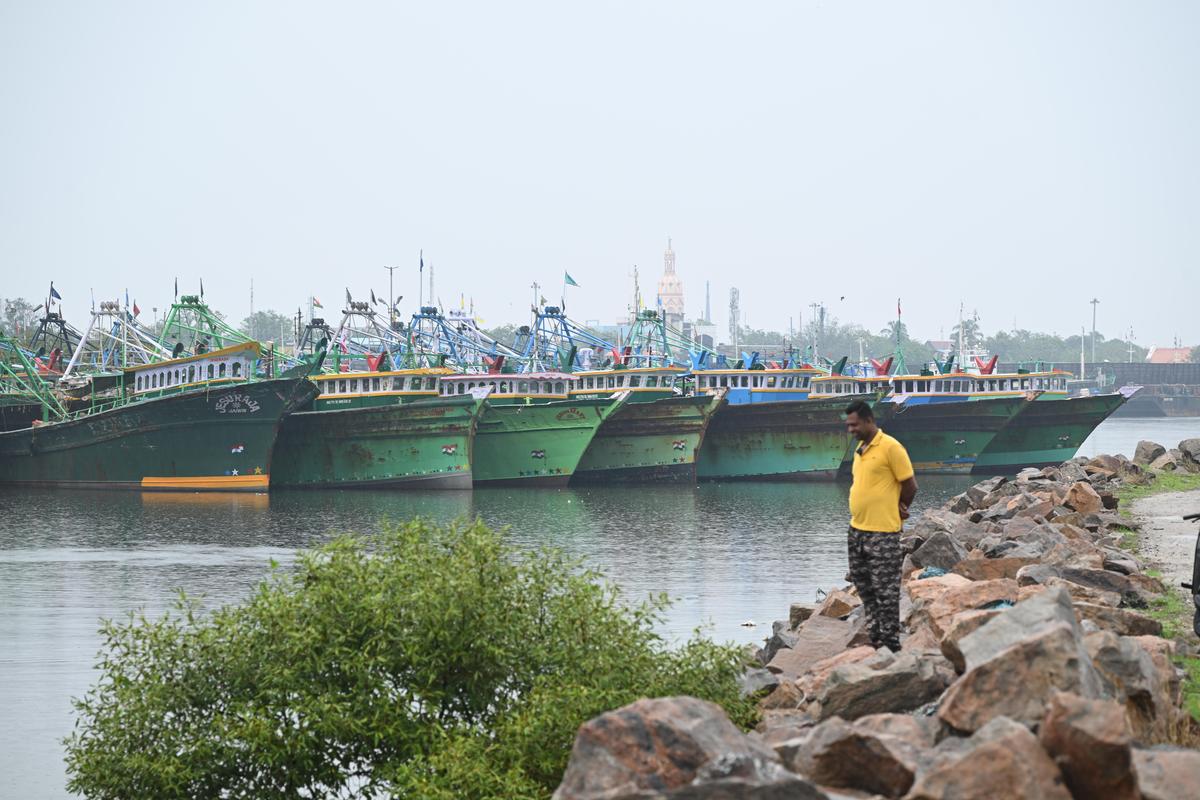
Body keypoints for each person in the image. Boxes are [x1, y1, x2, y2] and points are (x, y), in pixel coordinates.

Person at [844, 399, 917, 652]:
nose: (851, 430)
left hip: (882, 533)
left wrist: (901, 507)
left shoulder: (890, 447)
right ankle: (875, 637)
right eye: (848, 426)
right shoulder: (860, 450)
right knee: (864, 587)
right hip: (857, 530)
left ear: (868, 420)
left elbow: (909, 485)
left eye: (854, 425)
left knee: (885, 592)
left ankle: (891, 643)